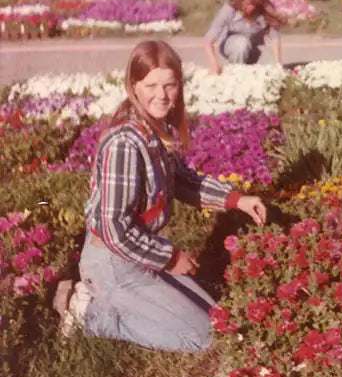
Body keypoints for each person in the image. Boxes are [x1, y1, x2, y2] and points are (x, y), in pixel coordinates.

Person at [53, 40, 268, 352]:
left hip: (140, 253)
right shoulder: (125, 142)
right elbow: (114, 228)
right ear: (134, 86)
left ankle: (124, 299)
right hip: (114, 263)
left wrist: (237, 200)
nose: (162, 94)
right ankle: (86, 311)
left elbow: (180, 180)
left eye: (170, 84)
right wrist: (169, 259)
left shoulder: (156, 129)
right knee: (203, 337)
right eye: (151, 85)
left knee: (218, 319)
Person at [204, 0, 284, 74]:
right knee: (242, 44)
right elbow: (209, 39)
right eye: (248, 4)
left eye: (255, 5)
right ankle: (236, 75)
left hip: (254, 48)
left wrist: (278, 65)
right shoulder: (230, 7)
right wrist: (213, 63)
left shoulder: (266, 8)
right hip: (232, 45)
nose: (251, 8)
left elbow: (275, 38)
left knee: (271, 67)